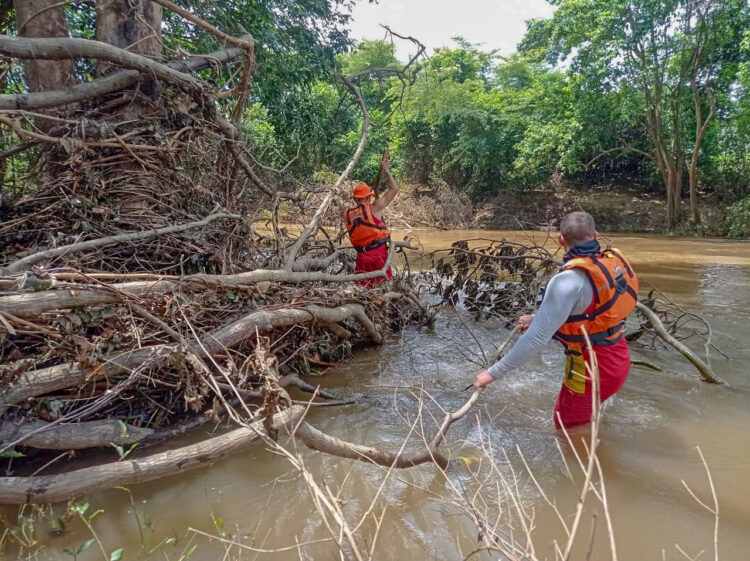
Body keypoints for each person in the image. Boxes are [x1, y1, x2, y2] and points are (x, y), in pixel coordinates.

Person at [472, 211, 639, 428]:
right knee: (586, 421)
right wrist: (537, 318)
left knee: (566, 429)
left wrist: (492, 373)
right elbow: (591, 313)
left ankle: (586, 462)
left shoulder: (568, 281)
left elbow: (534, 340)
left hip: (590, 370)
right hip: (618, 358)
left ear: (561, 240)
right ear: (596, 236)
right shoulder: (607, 265)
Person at [343, 152, 400, 288]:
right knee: (384, 287)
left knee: (363, 289)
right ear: (369, 197)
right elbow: (394, 189)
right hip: (378, 255)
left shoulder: (349, 215)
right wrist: (387, 171)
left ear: (355, 199)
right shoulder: (376, 207)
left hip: (362, 257)